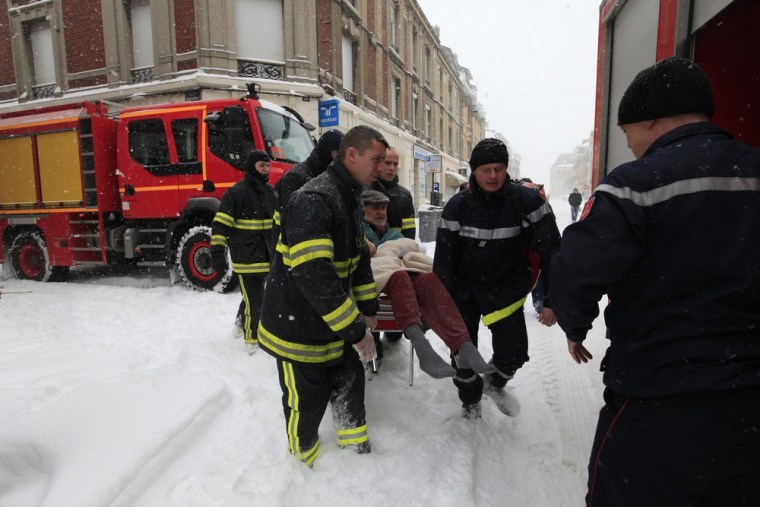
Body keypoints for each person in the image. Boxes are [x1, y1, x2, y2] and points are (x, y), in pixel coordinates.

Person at [550, 57, 760, 506]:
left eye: (628, 135)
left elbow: (578, 268)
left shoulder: (634, 184)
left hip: (659, 402)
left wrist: (575, 324)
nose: (630, 147)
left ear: (650, 120)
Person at [257, 125, 386, 467]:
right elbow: (316, 278)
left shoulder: (348, 196)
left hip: (330, 324)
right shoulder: (314, 199)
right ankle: (305, 468)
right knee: (307, 402)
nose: (381, 167)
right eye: (376, 159)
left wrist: (369, 310)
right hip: (297, 329)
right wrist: (357, 331)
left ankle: (356, 462)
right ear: (352, 155)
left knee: (350, 383)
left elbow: (357, 259)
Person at [433, 138, 561, 419]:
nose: (493, 176)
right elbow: (443, 259)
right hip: (464, 291)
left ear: (506, 169)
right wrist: (442, 302)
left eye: (499, 168)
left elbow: (553, 252)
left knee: (514, 353)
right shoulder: (457, 206)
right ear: (474, 172)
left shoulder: (527, 202)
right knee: (463, 357)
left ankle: (495, 382)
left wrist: (552, 300)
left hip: (506, 289)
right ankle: (470, 401)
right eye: (486, 169)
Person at [361, 189, 494, 379]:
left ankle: (463, 345)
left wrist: (400, 250)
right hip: (376, 283)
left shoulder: (393, 233)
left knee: (429, 279)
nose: (381, 212)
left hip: (402, 275)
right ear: (362, 210)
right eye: (375, 208)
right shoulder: (357, 232)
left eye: (383, 207)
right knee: (400, 277)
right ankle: (422, 345)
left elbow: (414, 249)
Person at [210, 150, 275, 354]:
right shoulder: (236, 193)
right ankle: (252, 342)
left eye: (267, 165)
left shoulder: (271, 192)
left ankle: (240, 323)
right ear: (251, 166)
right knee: (255, 300)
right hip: (246, 258)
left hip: (267, 257)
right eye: (261, 165)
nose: (265, 169)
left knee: (255, 297)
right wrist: (217, 255)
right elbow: (220, 226)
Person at [371, 147, 415, 345]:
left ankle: (395, 332)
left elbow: (409, 233)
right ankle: (373, 340)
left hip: (395, 260)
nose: (392, 168)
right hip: (370, 261)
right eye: (387, 163)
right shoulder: (363, 191)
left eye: (395, 164)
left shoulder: (403, 196)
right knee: (370, 303)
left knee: (394, 305)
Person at [272, 129, 344, 242]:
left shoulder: (330, 177)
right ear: (325, 152)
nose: (340, 161)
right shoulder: (294, 179)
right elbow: (292, 229)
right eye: (337, 155)